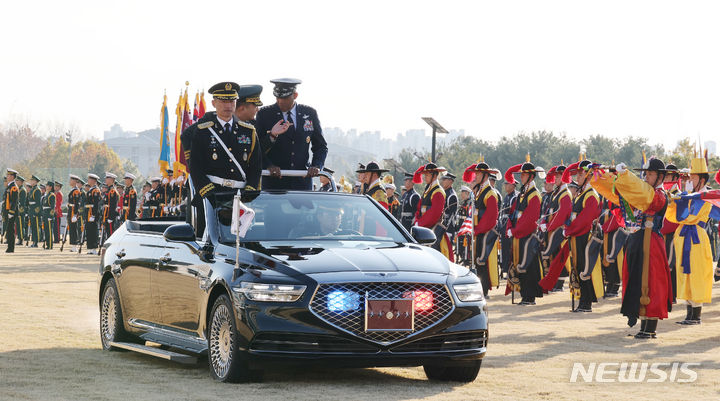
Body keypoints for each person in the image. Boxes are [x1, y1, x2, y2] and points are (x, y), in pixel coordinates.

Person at [591, 158, 672, 339]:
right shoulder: (644, 191)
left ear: (660, 177)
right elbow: (621, 193)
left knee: (651, 283)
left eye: (650, 174)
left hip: (651, 243)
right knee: (636, 279)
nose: (647, 177)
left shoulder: (659, 195)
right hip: (637, 239)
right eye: (646, 174)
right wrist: (604, 176)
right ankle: (643, 323)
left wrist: (625, 175)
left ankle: (650, 326)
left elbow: (641, 193)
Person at [186, 82, 262, 209]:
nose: (228, 105)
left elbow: (256, 166)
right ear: (214, 103)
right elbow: (196, 167)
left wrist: (248, 193)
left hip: (240, 196)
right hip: (211, 196)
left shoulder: (249, 132)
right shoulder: (202, 131)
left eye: (232, 101)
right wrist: (209, 193)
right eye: (223, 101)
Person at [665, 157, 717, 325]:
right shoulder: (690, 196)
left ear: (702, 179)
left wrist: (682, 198)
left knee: (696, 274)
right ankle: (689, 314)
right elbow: (673, 216)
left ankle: (696, 315)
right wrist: (676, 198)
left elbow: (689, 217)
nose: (690, 180)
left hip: (696, 239)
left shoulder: (705, 196)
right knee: (685, 274)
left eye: (693, 178)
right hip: (684, 237)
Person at [256, 78, 328, 190]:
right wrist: (268, 165)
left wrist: (316, 166)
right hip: (274, 183)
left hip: (302, 181)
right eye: (277, 97)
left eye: (284, 98)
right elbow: (256, 148)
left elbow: (321, 146)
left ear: (295, 95)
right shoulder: (264, 114)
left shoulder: (309, 113)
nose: (280, 101)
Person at [561, 160, 604, 312]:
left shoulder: (591, 195)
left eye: (580, 174)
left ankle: (587, 302)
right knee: (577, 267)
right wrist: (568, 227)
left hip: (584, 236)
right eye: (577, 174)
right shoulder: (581, 193)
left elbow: (585, 219)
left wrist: (570, 229)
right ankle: (583, 300)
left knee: (584, 269)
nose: (577, 177)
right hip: (576, 235)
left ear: (589, 175)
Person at [504, 161, 543, 305]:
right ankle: (524, 294)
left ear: (531, 176)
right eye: (521, 174)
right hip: (518, 234)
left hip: (527, 235)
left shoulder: (534, 194)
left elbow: (529, 218)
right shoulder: (522, 193)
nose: (521, 177)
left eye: (524, 174)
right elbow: (513, 212)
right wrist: (509, 226)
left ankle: (529, 296)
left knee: (528, 266)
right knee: (519, 264)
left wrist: (514, 230)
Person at [463, 162, 500, 296]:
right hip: (478, 231)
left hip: (484, 232)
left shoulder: (490, 193)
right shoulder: (479, 191)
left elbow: (491, 216)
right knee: (477, 262)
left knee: (482, 262)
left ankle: (484, 290)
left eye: (478, 173)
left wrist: (478, 229)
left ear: (485, 175)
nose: (476, 176)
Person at [413, 163, 453, 261]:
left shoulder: (438, 191)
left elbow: (434, 213)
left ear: (434, 176)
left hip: (433, 230)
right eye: (425, 175)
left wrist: (420, 223)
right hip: (424, 227)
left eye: (427, 175)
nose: (425, 177)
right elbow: (419, 207)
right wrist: (417, 221)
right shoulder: (428, 189)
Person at [660, 162, 681, 302]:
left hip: (673, 232)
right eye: (665, 176)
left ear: (675, 177)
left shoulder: (677, 194)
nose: (666, 179)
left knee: (671, 264)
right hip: (662, 233)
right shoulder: (663, 192)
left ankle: (672, 296)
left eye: (669, 176)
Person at [499, 176, 519, 274]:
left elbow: (513, 214)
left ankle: (510, 268)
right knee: (505, 248)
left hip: (510, 226)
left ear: (513, 185)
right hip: (504, 225)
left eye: (507, 184)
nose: (505, 186)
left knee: (510, 249)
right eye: (505, 184)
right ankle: (505, 268)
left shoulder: (515, 197)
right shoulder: (507, 196)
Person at [440, 171, 459, 255]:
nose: (443, 181)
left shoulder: (452, 195)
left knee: (447, 250)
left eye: (445, 179)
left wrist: (445, 227)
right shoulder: (444, 193)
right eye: (443, 179)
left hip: (448, 227)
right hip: (441, 226)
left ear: (451, 181)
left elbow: (452, 215)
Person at [85, 174, 102, 254]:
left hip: (92, 213)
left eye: (89, 179)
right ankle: (90, 248)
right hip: (89, 212)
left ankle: (94, 247)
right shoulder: (91, 190)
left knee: (94, 230)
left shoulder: (96, 190)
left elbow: (96, 204)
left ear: (93, 181)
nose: (88, 181)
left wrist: (94, 215)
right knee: (89, 230)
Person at [3, 169, 19, 252]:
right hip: (7, 211)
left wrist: (11, 212)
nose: (7, 176)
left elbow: (14, 201)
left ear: (12, 177)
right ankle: (9, 247)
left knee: (10, 230)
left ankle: (11, 247)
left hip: (11, 212)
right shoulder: (9, 186)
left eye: (9, 175)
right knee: (8, 229)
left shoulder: (13, 187)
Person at [66, 174, 82, 252]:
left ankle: (75, 245)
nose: (70, 181)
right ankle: (73, 245)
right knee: (71, 229)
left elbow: (77, 204)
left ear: (75, 181)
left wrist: (75, 214)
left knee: (74, 228)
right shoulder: (73, 190)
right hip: (70, 210)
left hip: (73, 212)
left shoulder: (76, 191)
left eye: (71, 180)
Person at [26, 175, 42, 247]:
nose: (31, 182)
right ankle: (33, 241)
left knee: (35, 227)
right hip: (31, 210)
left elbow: (38, 203)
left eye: (32, 181)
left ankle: (36, 242)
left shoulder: (37, 190)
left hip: (35, 211)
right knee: (33, 227)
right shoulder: (32, 189)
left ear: (36, 181)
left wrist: (36, 212)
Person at [41, 181, 56, 250]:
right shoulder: (46, 195)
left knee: (49, 231)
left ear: (50, 187)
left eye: (47, 185)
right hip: (45, 214)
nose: (46, 187)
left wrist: (50, 216)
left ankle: (50, 245)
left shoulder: (52, 195)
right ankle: (47, 244)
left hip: (49, 215)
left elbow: (52, 207)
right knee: (46, 230)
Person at [14, 175, 27, 246]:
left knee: (21, 225)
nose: (16, 182)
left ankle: (21, 239)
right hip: (18, 209)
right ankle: (19, 238)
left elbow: (22, 202)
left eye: (17, 181)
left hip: (20, 210)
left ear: (21, 182)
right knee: (18, 225)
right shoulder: (18, 189)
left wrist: (19, 209)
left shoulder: (22, 190)